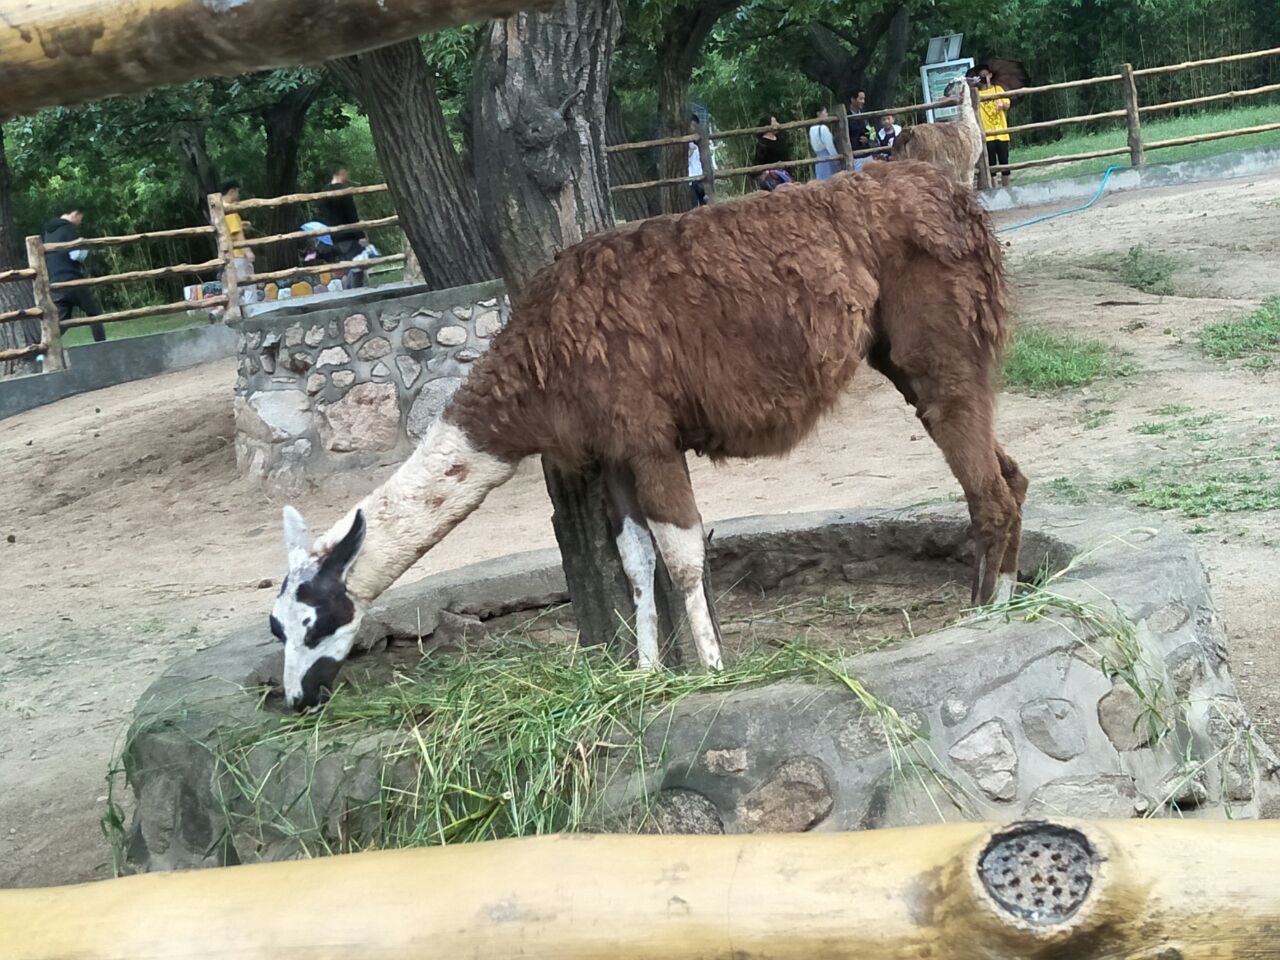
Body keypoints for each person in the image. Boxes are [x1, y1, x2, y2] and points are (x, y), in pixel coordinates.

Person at [42, 202, 105, 343]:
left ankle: (43, 348)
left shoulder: (49, 232)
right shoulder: (68, 228)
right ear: (75, 213)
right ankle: (102, 346)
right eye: (81, 217)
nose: (80, 221)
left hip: (56, 282)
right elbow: (76, 255)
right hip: (72, 279)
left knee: (62, 320)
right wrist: (86, 248)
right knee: (94, 314)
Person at [316, 163, 368, 280]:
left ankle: (348, 291)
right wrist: (361, 235)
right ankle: (356, 293)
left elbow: (323, 215)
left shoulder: (324, 192)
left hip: (334, 237)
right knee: (356, 269)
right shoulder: (344, 191)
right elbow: (352, 215)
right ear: (342, 172)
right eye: (347, 172)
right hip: (349, 236)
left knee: (343, 270)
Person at [219, 180, 258, 305]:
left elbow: (229, 229)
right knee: (248, 283)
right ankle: (251, 311)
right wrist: (248, 251)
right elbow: (236, 234)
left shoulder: (220, 210)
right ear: (232, 192)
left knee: (233, 286)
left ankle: (224, 309)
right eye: (237, 192)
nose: (238, 195)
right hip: (238, 254)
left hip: (228, 253)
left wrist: (241, 224)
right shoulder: (230, 210)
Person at [976, 65, 1013, 186]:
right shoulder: (977, 95)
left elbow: (1007, 104)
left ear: (990, 75)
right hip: (987, 135)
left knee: (1005, 164)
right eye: (981, 76)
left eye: (985, 75)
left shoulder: (998, 89)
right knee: (991, 166)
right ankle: (994, 190)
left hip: (1001, 132)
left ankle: (1007, 189)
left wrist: (1002, 105)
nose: (983, 78)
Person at [753, 115, 793, 192]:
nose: (777, 124)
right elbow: (758, 163)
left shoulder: (780, 138)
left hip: (786, 174)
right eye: (774, 122)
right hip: (773, 178)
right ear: (767, 126)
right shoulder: (762, 144)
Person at [808, 105, 840, 181]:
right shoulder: (823, 128)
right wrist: (837, 160)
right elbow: (830, 147)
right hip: (828, 159)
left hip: (818, 160)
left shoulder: (811, 129)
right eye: (825, 112)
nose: (827, 114)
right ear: (818, 114)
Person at [687, 113, 712, 206]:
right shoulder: (685, 142)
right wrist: (690, 151)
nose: (693, 128)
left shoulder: (699, 141)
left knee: (704, 203)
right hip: (690, 178)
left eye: (695, 125)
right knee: (694, 205)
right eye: (692, 125)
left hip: (700, 175)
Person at [847, 91, 873, 170]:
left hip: (868, 155)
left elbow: (872, 131)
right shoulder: (846, 117)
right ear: (853, 99)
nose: (863, 102)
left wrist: (868, 139)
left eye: (864, 99)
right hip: (855, 157)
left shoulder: (864, 115)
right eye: (860, 99)